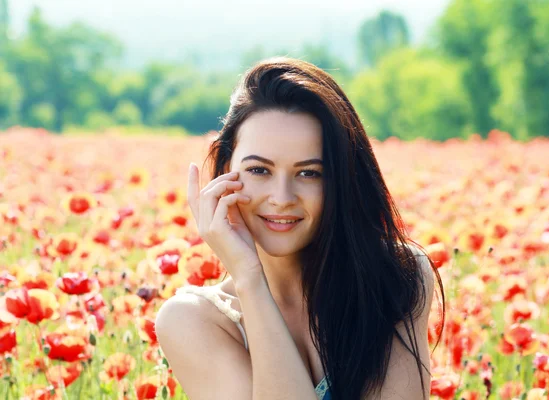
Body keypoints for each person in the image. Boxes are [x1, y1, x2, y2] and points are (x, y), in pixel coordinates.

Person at [155, 56, 446, 400]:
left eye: (309, 173)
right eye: (259, 171)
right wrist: (250, 280)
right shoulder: (193, 321)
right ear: (224, 167)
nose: (281, 198)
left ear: (342, 178)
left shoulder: (395, 279)